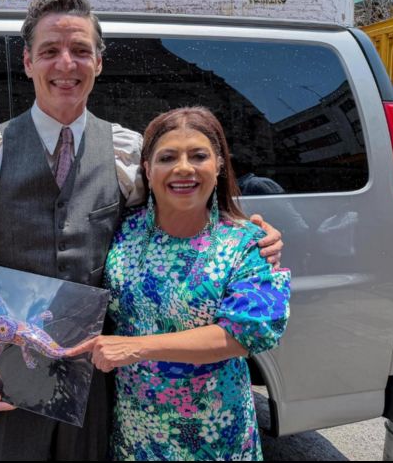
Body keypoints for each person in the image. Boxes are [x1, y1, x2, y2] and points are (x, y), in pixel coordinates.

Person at [0, 0, 283, 461]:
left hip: (98, 378)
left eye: (81, 50)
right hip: (5, 375)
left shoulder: (127, 152)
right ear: (28, 62)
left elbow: (179, 214)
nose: (66, 63)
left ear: (99, 62)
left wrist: (246, 232)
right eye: (49, 51)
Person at [69, 107, 291, 461]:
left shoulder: (247, 244)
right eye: (167, 157)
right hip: (136, 430)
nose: (183, 168)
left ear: (218, 165)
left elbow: (244, 334)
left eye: (198, 155)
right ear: (147, 169)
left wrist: (137, 348)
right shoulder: (122, 230)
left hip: (215, 433)